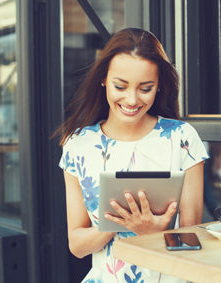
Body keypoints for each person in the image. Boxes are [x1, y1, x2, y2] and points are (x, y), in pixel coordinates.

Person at [55, 28, 209, 282]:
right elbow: (77, 245)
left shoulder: (181, 138)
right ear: (104, 79)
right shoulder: (78, 144)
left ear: (159, 86)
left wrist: (153, 232)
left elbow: (191, 241)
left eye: (145, 88)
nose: (131, 99)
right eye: (120, 86)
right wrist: (114, 225)